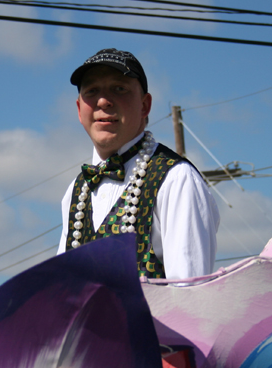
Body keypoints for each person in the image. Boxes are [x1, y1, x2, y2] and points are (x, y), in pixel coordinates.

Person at [57, 48, 219, 279]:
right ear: (79, 109)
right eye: (92, 91)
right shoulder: (75, 192)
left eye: (119, 89)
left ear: (145, 105)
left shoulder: (175, 179)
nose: (103, 101)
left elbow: (190, 296)